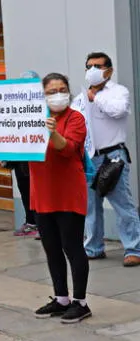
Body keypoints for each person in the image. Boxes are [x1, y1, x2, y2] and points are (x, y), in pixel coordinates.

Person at [31, 73, 91, 324]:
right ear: (42, 95)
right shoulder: (31, 118)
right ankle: (61, 298)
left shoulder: (75, 118)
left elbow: (67, 149)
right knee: (51, 247)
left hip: (67, 193)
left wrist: (52, 132)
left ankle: (80, 302)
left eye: (62, 89)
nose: (58, 94)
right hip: (42, 193)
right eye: (52, 91)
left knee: (72, 246)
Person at [73, 52, 140, 267]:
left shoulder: (118, 92)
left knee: (123, 205)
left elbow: (118, 111)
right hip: (89, 158)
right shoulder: (80, 98)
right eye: (89, 66)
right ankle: (93, 247)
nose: (92, 70)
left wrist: (97, 98)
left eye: (97, 66)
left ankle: (133, 248)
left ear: (108, 70)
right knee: (91, 206)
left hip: (113, 157)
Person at [11, 70, 40, 238]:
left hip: (36, 153)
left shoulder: (43, 103)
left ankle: (41, 223)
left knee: (38, 190)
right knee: (24, 188)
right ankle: (31, 222)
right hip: (20, 154)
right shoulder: (13, 103)